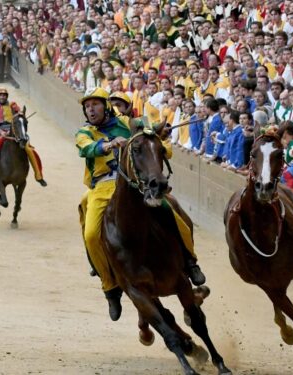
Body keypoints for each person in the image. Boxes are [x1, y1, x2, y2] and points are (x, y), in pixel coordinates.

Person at [75, 88, 206, 321]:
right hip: (102, 186)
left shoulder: (129, 123)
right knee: (92, 234)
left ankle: (190, 261)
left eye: (95, 105)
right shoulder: (85, 131)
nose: (90, 110)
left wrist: (160, 135)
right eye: (87, 106)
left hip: (135, 184)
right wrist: (108, 145)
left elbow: (153, 140)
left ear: (106, 107)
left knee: (171, 211)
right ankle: (109, 287)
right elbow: (85, 148)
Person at [0, 88, 47, 193]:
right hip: (0, 133)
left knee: (30, 150)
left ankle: (39, 176)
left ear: (6, 96)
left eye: (4, 95)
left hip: (14, 131)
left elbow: (19, 111)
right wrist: (1, 131)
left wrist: (20, 113)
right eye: (0, 95)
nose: (2, 97)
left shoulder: (12, 104)